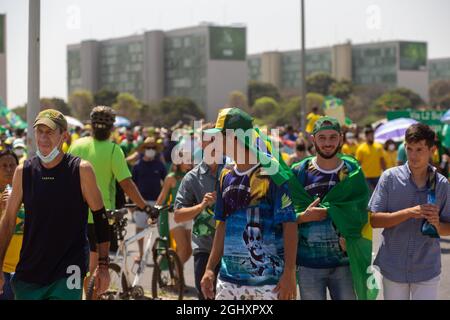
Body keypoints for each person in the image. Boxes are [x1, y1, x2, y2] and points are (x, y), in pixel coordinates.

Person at [0, 109, 110, 300]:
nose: (43, 137)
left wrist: (103, 266)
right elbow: (8, 221)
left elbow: (100, 218)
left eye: (49, 132)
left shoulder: (81, 170)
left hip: (67, 274)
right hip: (29, 273)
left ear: (63, 136)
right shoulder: (23, 172)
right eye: (39, 131)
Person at [201, 107, 298, 300]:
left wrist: (289, 273)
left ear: (234, 137)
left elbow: (290, 225)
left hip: (269, 284)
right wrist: (210, 268)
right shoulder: (225, 174)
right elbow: (222, 224)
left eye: (219, 135)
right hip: (228, 282)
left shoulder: (272, 174)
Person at [68, 106, 152, 298]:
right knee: (96, 267)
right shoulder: (114, 149)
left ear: (90, 125)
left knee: (79, 266)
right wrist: (145, 207)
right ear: (112, 127)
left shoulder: (76, 145)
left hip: (74, 215)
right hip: (100, 215)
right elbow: (127, 184)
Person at [291, 117, 371, 300]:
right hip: (308, 265)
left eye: (333, 137)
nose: (328, 143)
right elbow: (285, 215)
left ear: (341, 139)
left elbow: (361, 212)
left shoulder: (352, 171)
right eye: (322, 138)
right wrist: (304, 217)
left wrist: (349, 233)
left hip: (345, 264)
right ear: (313, 140)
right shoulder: (299, 171)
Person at [370, 123, 450, 300]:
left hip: (427, 269)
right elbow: (374, 220)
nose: (413, 156)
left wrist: (437, 224)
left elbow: (448, 228)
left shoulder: (442, 184)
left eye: (419, 149)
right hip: (393, 267)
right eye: (409, 149)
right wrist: (409, 212)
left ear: (432, 150)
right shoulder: (389, 178)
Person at [173, 123, 223, 299]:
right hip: (204, 249)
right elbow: (178, 215)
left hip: (232, 251)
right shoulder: (192, 178)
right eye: (209, 141)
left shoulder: (234, 172)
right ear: (202, 144)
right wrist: (201, 206)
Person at [154, 150, 193, 266]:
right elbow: (161, 198)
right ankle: (176, 278)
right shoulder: (171, 177)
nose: (190, 161)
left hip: (189, 215)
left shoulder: (192, 175)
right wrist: (153, 213)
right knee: (183, 248)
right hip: (175, 216)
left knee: (189, 251)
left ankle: (175, 272)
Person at [131, 136, 167, 262]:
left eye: (153, 148)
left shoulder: (159, 165)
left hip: (156, 203)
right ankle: (141, 254)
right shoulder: (137, 165)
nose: (150, 149)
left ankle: (153, 253)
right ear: (143, 149)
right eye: (148, 147)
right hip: (141, 202)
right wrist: (132, 202)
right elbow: (132, 185)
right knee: (140, 228)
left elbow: (166, 182)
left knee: (154, 230)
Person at [0, 150, 20, 300]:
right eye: (4, 166)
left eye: (12, 165)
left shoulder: (27, 192)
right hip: (3, 268)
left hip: (25, 267)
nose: (8, 169)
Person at [355, 127, 386, 192]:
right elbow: (357, 163)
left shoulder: (379, 146)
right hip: (366, 177)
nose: (372, 137)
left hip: (378, 176)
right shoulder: (361, 149)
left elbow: (382, 160)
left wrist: (385, 171)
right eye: (369, 135)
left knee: (380, 193)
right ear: (366, 136)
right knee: (370, 195)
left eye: (372, 135)